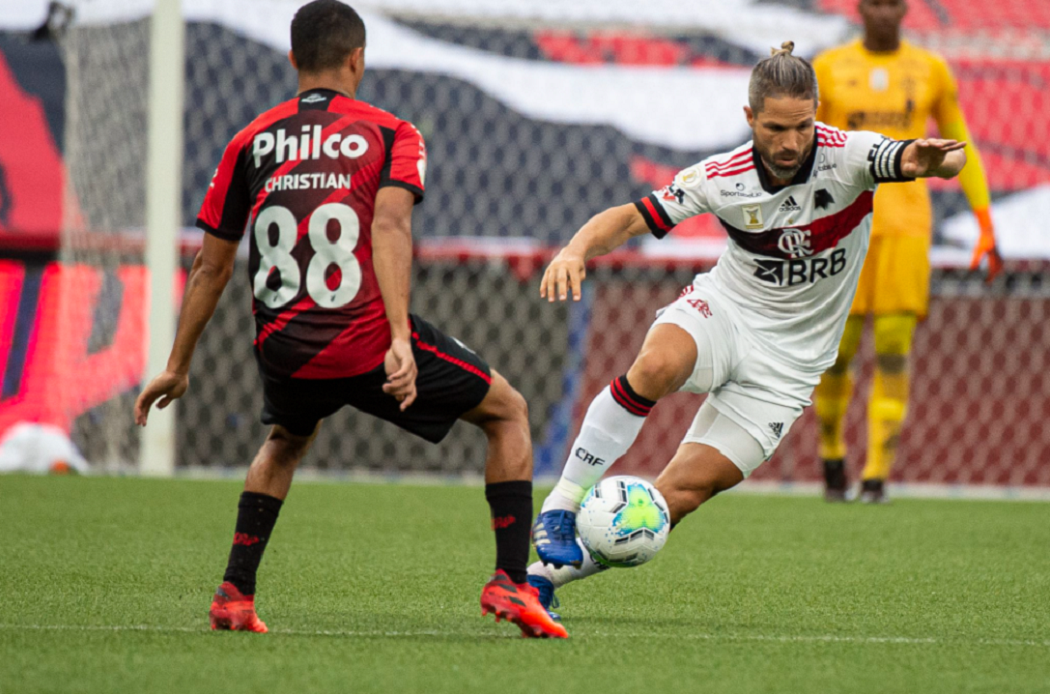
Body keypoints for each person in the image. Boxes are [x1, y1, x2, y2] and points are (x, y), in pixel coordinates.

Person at [134, 0, 565, 639]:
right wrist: (399, 340)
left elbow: (211, 268)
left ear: (292, 60)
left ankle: (234, 592)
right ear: (357, 58)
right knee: (508, 412)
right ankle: (510, 581)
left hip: (282, 346)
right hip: (363, 342)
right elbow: (390, 224)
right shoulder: (392, 132)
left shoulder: (248, 140)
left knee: (284, 439)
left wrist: (176, 366)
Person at [525, 42, 966, 613]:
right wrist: (576, 249)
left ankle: (536, 583)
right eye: (776, 128)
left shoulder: (851, 155)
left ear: (818, 114)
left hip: (791, 365)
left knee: (673, 499)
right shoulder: (720, 176)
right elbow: (633, 217)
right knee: (656, 365)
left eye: (803, 126)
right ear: (750, 118)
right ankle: (561, 504)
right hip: (727, 311)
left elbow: (925, 159)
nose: (790, 143)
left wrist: (935, 160)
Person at [811, 0, 1001, 503]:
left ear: (905, 9)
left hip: (907, 228)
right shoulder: (827, 68)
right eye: (874, 3)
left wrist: (984, 220)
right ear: (859, 8)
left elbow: (962, 146)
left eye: (892, 3)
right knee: (836, 355)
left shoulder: (931, 70)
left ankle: (876, 476)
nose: (883, 13)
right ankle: (832, 453)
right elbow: (807, 148)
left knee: (894, 351)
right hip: (842, 225)